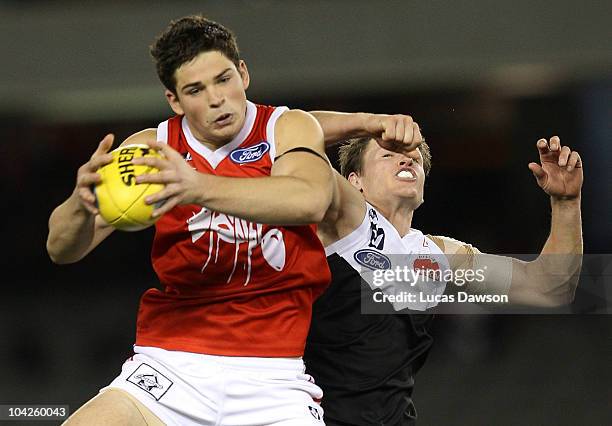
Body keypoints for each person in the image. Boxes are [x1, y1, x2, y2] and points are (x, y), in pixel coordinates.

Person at [46, 15, 423, 426]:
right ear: (174, 100)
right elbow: (61, 248)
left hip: (273, 379)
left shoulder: (288, 129)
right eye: (195, 89)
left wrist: (194, 187)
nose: (216, 99)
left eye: (223, 79)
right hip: (169, 368)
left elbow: (309, 199)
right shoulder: (150, 151)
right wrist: (80, 205)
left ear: (243, 74)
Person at [302, 125, 583, 425]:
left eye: (414, 157)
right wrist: (369, 120)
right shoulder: (330, 227)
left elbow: (551, 288)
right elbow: (293, 137)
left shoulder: (437, 255)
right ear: (354, 181)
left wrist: (566, 203)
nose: (407, 160)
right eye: (388, 154)